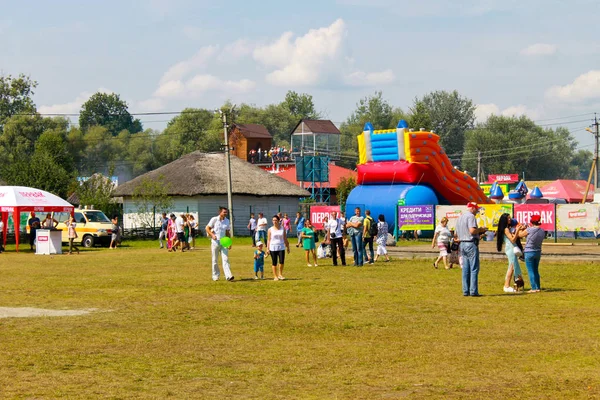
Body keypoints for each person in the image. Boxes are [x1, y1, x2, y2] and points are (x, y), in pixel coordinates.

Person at [456, 202, 487, 296]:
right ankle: (473, 291)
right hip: (470, 243)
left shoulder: (460, 217)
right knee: (474, 268)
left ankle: (466, 290)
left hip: (462, 243)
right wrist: (481, 230)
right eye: (476, 209)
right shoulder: (471, 217)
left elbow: (455, 234)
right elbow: (472, 230)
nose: (477, 211)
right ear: (472, 208)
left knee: (465, 268)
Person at [496, 214, 525, 293]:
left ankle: (511, 284)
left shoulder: (507, 228)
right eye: (508, 218)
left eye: (510, 218)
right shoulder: (506, 229)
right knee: (512, 267)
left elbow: (513, 236)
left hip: (512, 249)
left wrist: (517, 230)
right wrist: (518, 230)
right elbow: (512, 240)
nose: (510, 219)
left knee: (513, 266)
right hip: (511, 249)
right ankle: (506, 285)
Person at [206, 207, 234, 281]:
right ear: (220, 212)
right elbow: (207, 228)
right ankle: (215, 275)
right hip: (215, 242)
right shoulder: (214, 219)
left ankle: (228, 276)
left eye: (226, 212)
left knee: (225, 259)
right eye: (224, 212)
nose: (225, 213)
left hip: (224, 242)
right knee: (215, 260)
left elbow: (227, 232)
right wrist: (212, 235)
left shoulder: (227, 221)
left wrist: (229, 243)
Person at [519, 214, 545, 293]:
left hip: (529, 252)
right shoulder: (542, 231)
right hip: (538, 251)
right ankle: (538, 287)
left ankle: (533, 288)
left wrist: (520, 229)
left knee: (530, 270)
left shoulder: (530, 230)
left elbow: (520, 235)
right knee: (536, 270)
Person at [267, 215, 290, 281]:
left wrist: (288, 247)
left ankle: (280, 274)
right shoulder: (270, 229)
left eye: (276, 220)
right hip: (273, 247)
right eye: (273, 220)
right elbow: (268, 240)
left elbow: (285, 238)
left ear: (278, 220)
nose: (274, 222)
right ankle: (275, 276)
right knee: (274, 262)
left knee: (281, 262)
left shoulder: (283, 228)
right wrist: (267, 249)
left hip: (281, 247)